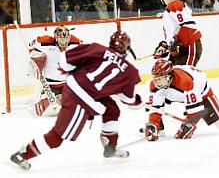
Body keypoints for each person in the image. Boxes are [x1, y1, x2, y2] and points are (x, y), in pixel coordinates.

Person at [10, 31, 143, 170]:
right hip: (80, 100)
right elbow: (129, 100)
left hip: (72, 87)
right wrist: (140, 102)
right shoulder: (130, 71)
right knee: (58, 136)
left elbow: (65, 61)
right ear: (127, 48)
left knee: (111, 109)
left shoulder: (97, 48)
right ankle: (23, 154)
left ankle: (110, 146)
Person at [29, 25, 82, 116]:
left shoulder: (76, 43)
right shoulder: (44, 43)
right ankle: (53, 98)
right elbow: (30, 46)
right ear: (55, 39)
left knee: (75, 109)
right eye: (61, 42)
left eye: (66, 41)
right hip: (50, 84)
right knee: (40, 111)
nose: (64, 45)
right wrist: (35, 57)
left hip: (67, 83)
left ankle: (62, 98)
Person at [154, 0, 202, 67]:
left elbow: (189, 26)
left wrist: (175, 44)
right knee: (170, 73)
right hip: (182, 48)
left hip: (188, 47)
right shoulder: (170, 9)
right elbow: (173, 32)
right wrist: (165, 46)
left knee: (184, 74)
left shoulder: (175, 5)